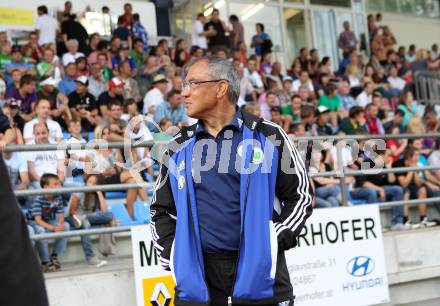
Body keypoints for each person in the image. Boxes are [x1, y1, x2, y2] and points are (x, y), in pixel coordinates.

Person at [151, 56, 313, 305]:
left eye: (192, 84)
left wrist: (271, 240)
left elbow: (300, 196)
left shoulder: (268, 135)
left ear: (221, 88)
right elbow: (160, 210)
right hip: (198, 283)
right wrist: (174, 254)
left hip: (263, 280)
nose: (184, 93)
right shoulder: (176, 145)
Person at [85, 125, 148, 218]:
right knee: (133, 175)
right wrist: (103, 172)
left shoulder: (115, 148)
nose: (106, 136)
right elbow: (86, 174)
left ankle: (131, 217)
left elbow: (121, 167)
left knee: (133, 183)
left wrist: (117, 168)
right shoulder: (92, 151)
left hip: (116, 177)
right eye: (103, 134)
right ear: (98, 135)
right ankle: (150, 207)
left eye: (108, 133)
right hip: (102, 180)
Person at [29, 173, 70, 272]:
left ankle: (54, 256)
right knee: (40, 230)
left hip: (47, 220)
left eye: (59, 184)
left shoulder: (57, 197)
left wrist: (60, 225)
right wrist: (53, 228)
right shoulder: (38, 199)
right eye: (56, 184)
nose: (59, 186)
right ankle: (45, 262)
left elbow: (61, 215)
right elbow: (37, 220)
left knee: (66, 226)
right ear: (46, 187)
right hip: (33, 222)